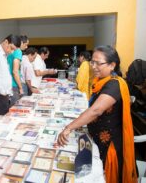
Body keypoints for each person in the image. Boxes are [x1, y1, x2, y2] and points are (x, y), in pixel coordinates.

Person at [57, 45, 137, 183]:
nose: (93, 66)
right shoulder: (100, 82)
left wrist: (69, 127)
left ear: (112, 65)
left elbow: (96, 110)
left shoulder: (114, 85)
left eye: (98, 63)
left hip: (110, 145)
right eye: (92, 62)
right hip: (97, 140)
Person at [0, 34, 21, 116]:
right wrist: (3, 92)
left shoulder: (4, 55)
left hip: (5, 96)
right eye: (11, 48)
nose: (12, 52)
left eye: (14, 50)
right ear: (6, 42)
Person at [7, 35, 26, 104]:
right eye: (25, 44)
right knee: (15, 108)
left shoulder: (9, 52)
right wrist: (20, 87)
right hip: (14, 84)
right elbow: (15, 71)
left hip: (8, 83)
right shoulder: (18, 51)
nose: (26, 47)